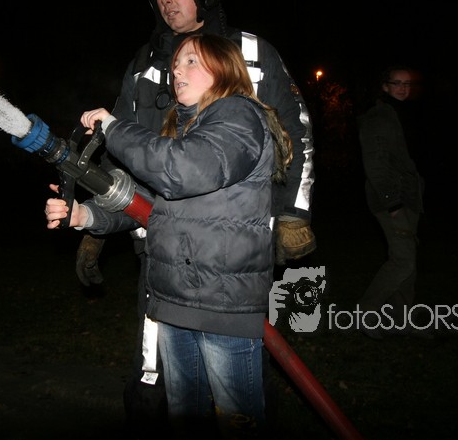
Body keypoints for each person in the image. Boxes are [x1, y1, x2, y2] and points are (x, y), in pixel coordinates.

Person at [73, 0, 317, 434]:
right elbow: (120, 148)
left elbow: (298, 132)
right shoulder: (145, 63)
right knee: (154, 370)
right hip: (157, 240)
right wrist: (99, 218)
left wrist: (294, 212)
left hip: (228, 251)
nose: (166, 0)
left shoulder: (251, 53)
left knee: (237, 379)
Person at [46, 33, 293, 438]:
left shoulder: (239, 115)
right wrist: (84, 215)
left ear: (224, 67)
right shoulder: (186, 133)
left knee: (237, 425)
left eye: (191, 61)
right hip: (173, 304)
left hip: (222, 309)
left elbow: (180, 172)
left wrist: (114, 127)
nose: (177, 71)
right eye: (175, 66)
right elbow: (148, 202)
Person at [355, 65, 426, 339]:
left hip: (409, 197)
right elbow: (375, 165)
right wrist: (392, 204)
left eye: (407, 83)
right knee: (404, 261)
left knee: (407, 261)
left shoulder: (404, 114)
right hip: (392, 201)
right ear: (385, 86)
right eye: (397, 83)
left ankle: (402, 320)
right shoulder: (378, 117)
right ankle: (365, 312)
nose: (402, 88)